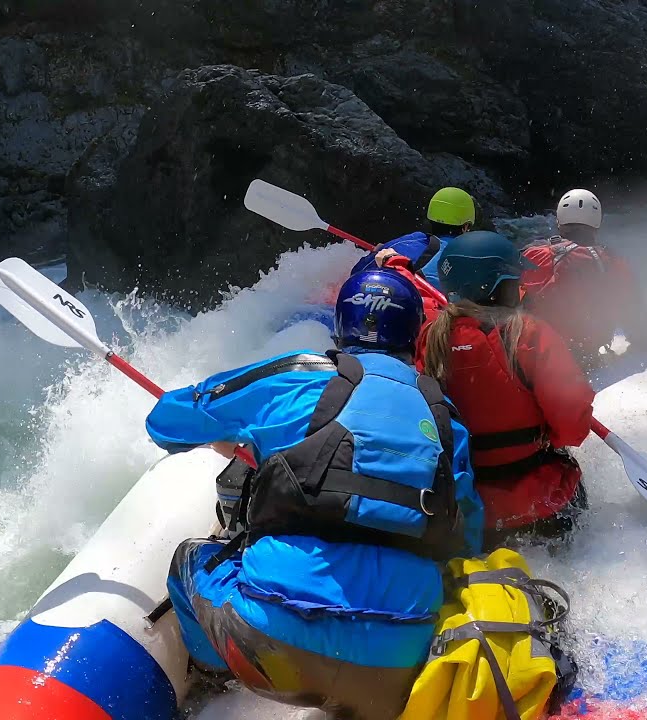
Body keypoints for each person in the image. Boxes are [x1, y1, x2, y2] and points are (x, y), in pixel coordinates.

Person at [147, 269, 485, 720]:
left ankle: (214, 686)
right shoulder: (447, 418)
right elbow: (468, 537)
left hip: (271, 652)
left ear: (341, 323)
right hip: (396, 672)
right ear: (415, 333)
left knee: (189, 557)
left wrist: (227, 437)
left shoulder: (296, 375)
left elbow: (164, 421)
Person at [417, 230, 596, 550]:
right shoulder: (530, 334)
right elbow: (573, 429)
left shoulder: (430, 338)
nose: (522, 286)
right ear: (494, 286)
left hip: (464, 511)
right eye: (515, 279)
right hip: (540, 508)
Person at [520, 189, 647, 372]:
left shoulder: (533, 253)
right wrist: (645, 336)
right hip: (585, 358)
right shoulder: (612, 261)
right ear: (597, 223)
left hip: (532, 357)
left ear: (559, 221)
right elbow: (636, 319)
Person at [350, 186, 476, 290]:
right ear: (465, 227)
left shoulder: (408, 242)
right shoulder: (474, 259)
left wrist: (377, 252)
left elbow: (356, 274)